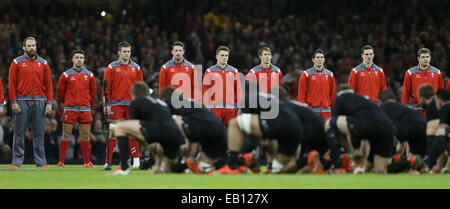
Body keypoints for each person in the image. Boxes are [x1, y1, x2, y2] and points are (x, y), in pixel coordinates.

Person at [217, 82, 303, 174]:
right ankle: (271, 165)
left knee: (234, 124)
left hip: (277, 123)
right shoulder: (269, 99)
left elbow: (245, 125)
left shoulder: (248, 98)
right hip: (295, 127)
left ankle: (233, 165)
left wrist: (257, 144)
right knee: (278, 168)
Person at [110, 82, 184, 175]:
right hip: (175, 137)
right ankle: (160, 166)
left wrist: (114, 127)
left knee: (121, 127)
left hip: (160, 134)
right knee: (159, 145)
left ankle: (124, 168)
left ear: (133, 95)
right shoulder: (160, 103)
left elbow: (134, 125)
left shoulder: (136, 102)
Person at [324, 84, 395, 173]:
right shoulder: (364, 100)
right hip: (387, 127)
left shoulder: (341, 98)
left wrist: (350, 150)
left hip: (365, 125)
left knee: (329, 123)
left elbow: (338, 128)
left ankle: (338, 165)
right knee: (380, 170)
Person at [160, 86, 229, 174]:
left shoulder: (169, 103)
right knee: (206, 167)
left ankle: (182, 164)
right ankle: (238, 161)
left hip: (205, 129)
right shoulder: (190, 104)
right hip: (219, 130)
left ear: (163, 99)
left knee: (172, 122)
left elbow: (178, 124)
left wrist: (183, 143)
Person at [9, 36, 53, 167]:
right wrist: (13, 102)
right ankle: (17, 161)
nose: (31, 48)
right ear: (24, 47)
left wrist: (49, 103)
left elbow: (49, 84)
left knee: (39, 134)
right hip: (21, 101)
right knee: (19, 134)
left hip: (40, 101)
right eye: (29, 46)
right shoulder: (16, 62)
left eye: (33, 45)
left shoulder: (44, 63)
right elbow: (11, 84)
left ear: (36, 46)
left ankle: (41, 162)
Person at [103, 41, 143, 170]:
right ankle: (108, 162)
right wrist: (106, 104)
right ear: (119, 52)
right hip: (116, 104)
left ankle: (136, 161)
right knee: (114, 132)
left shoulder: (136, 67)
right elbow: (105, 87)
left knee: (133, 132)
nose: (127, 54)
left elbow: (140, 88)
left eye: (129, 51)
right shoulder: (111, 67)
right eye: (124, 51)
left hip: (132, 104)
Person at [56, 50, 97, 167]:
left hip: (85, 109)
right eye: (77, 57)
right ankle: (61, 162)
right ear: (72, 60)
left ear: (84, 60)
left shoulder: (90, 75)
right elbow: (60, 93)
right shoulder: (66, 75)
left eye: (81, 58)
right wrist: (69, 101)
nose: (79, 59)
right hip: (70, 108)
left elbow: (93, 93)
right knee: (66, 134)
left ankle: (87, 162)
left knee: (85, 135)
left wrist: (85, 100)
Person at [378, 89, 427, 173]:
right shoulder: (402, 108)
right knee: (414, 160)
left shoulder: (384, 108)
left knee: (385, 168)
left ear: (380, 101)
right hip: (424, 126)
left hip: (411, 129)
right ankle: (416, 165)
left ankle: (406, 163)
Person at [202, 45, 243, 125]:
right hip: (215, 108)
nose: (224, 57)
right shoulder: (209, 71)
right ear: (217, 56)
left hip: (231, 109)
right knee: (216, 133)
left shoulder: (234, 71)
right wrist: (206, 108)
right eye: (222, 55)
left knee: (230, 133)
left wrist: (240, 107)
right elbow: (205, 91)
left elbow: (238, 91)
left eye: (226, 55)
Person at [401, 48, 444, 117]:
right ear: (418, 58)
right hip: (416, 109)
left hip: (433, 109)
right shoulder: (410, 73)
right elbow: (405, 92)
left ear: (430, 58)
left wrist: (442, 108)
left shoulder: (438, 73)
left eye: (427, 57)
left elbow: (441, 92)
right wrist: (404, 109)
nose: (425, 59)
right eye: (423, 57)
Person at [298, 49, 336, 120]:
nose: (320, 59)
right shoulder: (306, 74)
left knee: (326, 131)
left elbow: (333, 94)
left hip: (327, 111)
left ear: (324, 60)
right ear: (313, 60)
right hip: (311, 111)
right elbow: (301, 94)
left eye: (322, 57)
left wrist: (333, 109)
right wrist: (302, 111)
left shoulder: (330, 74)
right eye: (317, 57)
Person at [420, 88, 450, 173]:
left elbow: (441, 135)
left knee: (441, 135)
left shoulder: (445, 108)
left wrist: (428, 161)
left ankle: (428, 164)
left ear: (439, 101)